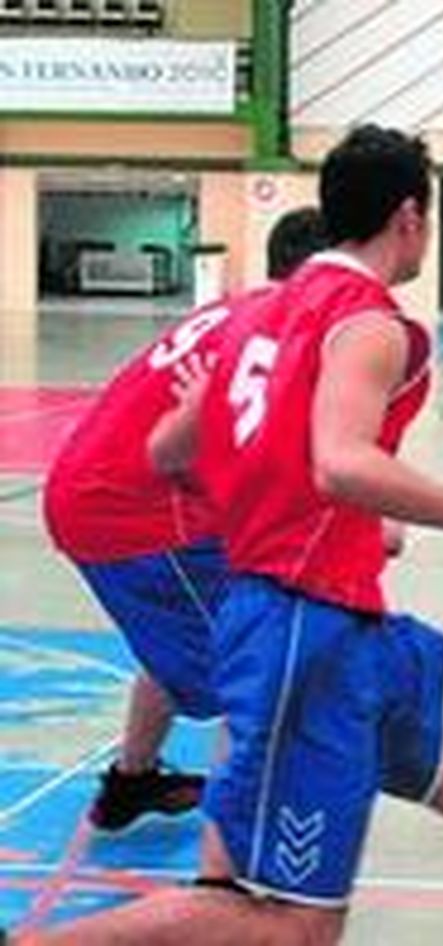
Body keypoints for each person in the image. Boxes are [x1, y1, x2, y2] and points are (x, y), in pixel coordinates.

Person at [24, 126, 443, 945]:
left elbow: (168, 452)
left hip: (349, 627)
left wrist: (253, 468)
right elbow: (341, 464)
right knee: (293, 927)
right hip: (305, 632)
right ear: (410, 217)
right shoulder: (371, 323)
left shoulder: (256, 315)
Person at [40, 207, 326, 834]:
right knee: (255, 656)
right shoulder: (277, 334)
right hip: (134, 510)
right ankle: (236, 850)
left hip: (103, 491)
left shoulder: (239, 310)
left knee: (190, 626)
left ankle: (132, 782)